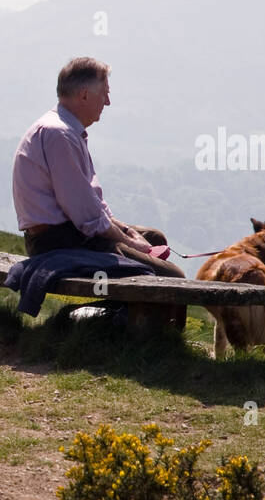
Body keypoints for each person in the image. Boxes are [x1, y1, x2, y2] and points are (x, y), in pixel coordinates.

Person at [11, 56, 187, 325]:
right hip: (58, 240)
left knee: (154, 237)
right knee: (173, 278)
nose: (107, 102)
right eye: (104, 94)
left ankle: (117, 320)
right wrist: (129, 241)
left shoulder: (64, 128)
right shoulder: (61, 136)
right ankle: (85, 324)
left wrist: (128, 231)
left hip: (69, 232)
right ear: (84, 95)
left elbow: (90, 204)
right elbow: (86, 217)